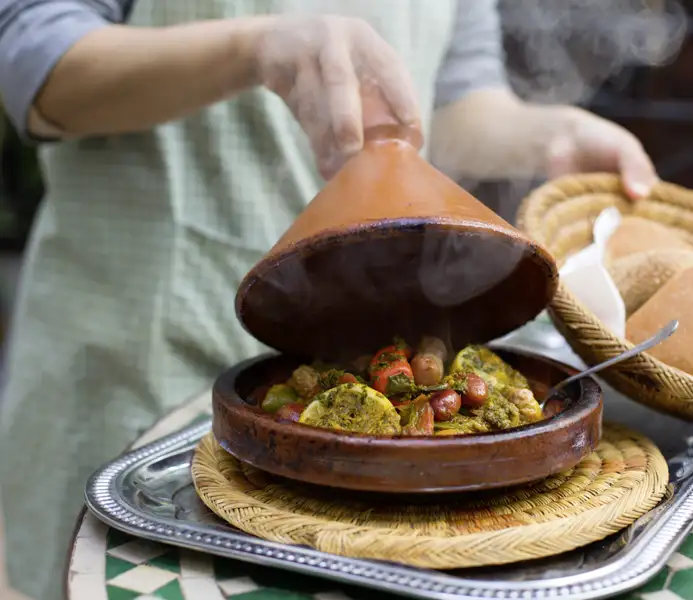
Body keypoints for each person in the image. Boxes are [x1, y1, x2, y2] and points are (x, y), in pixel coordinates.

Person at [0, 1, 659, 598]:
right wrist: (257, 47)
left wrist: (546, 137)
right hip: (144, 365)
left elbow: (453, 105)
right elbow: (33, 58)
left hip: (387, 439)